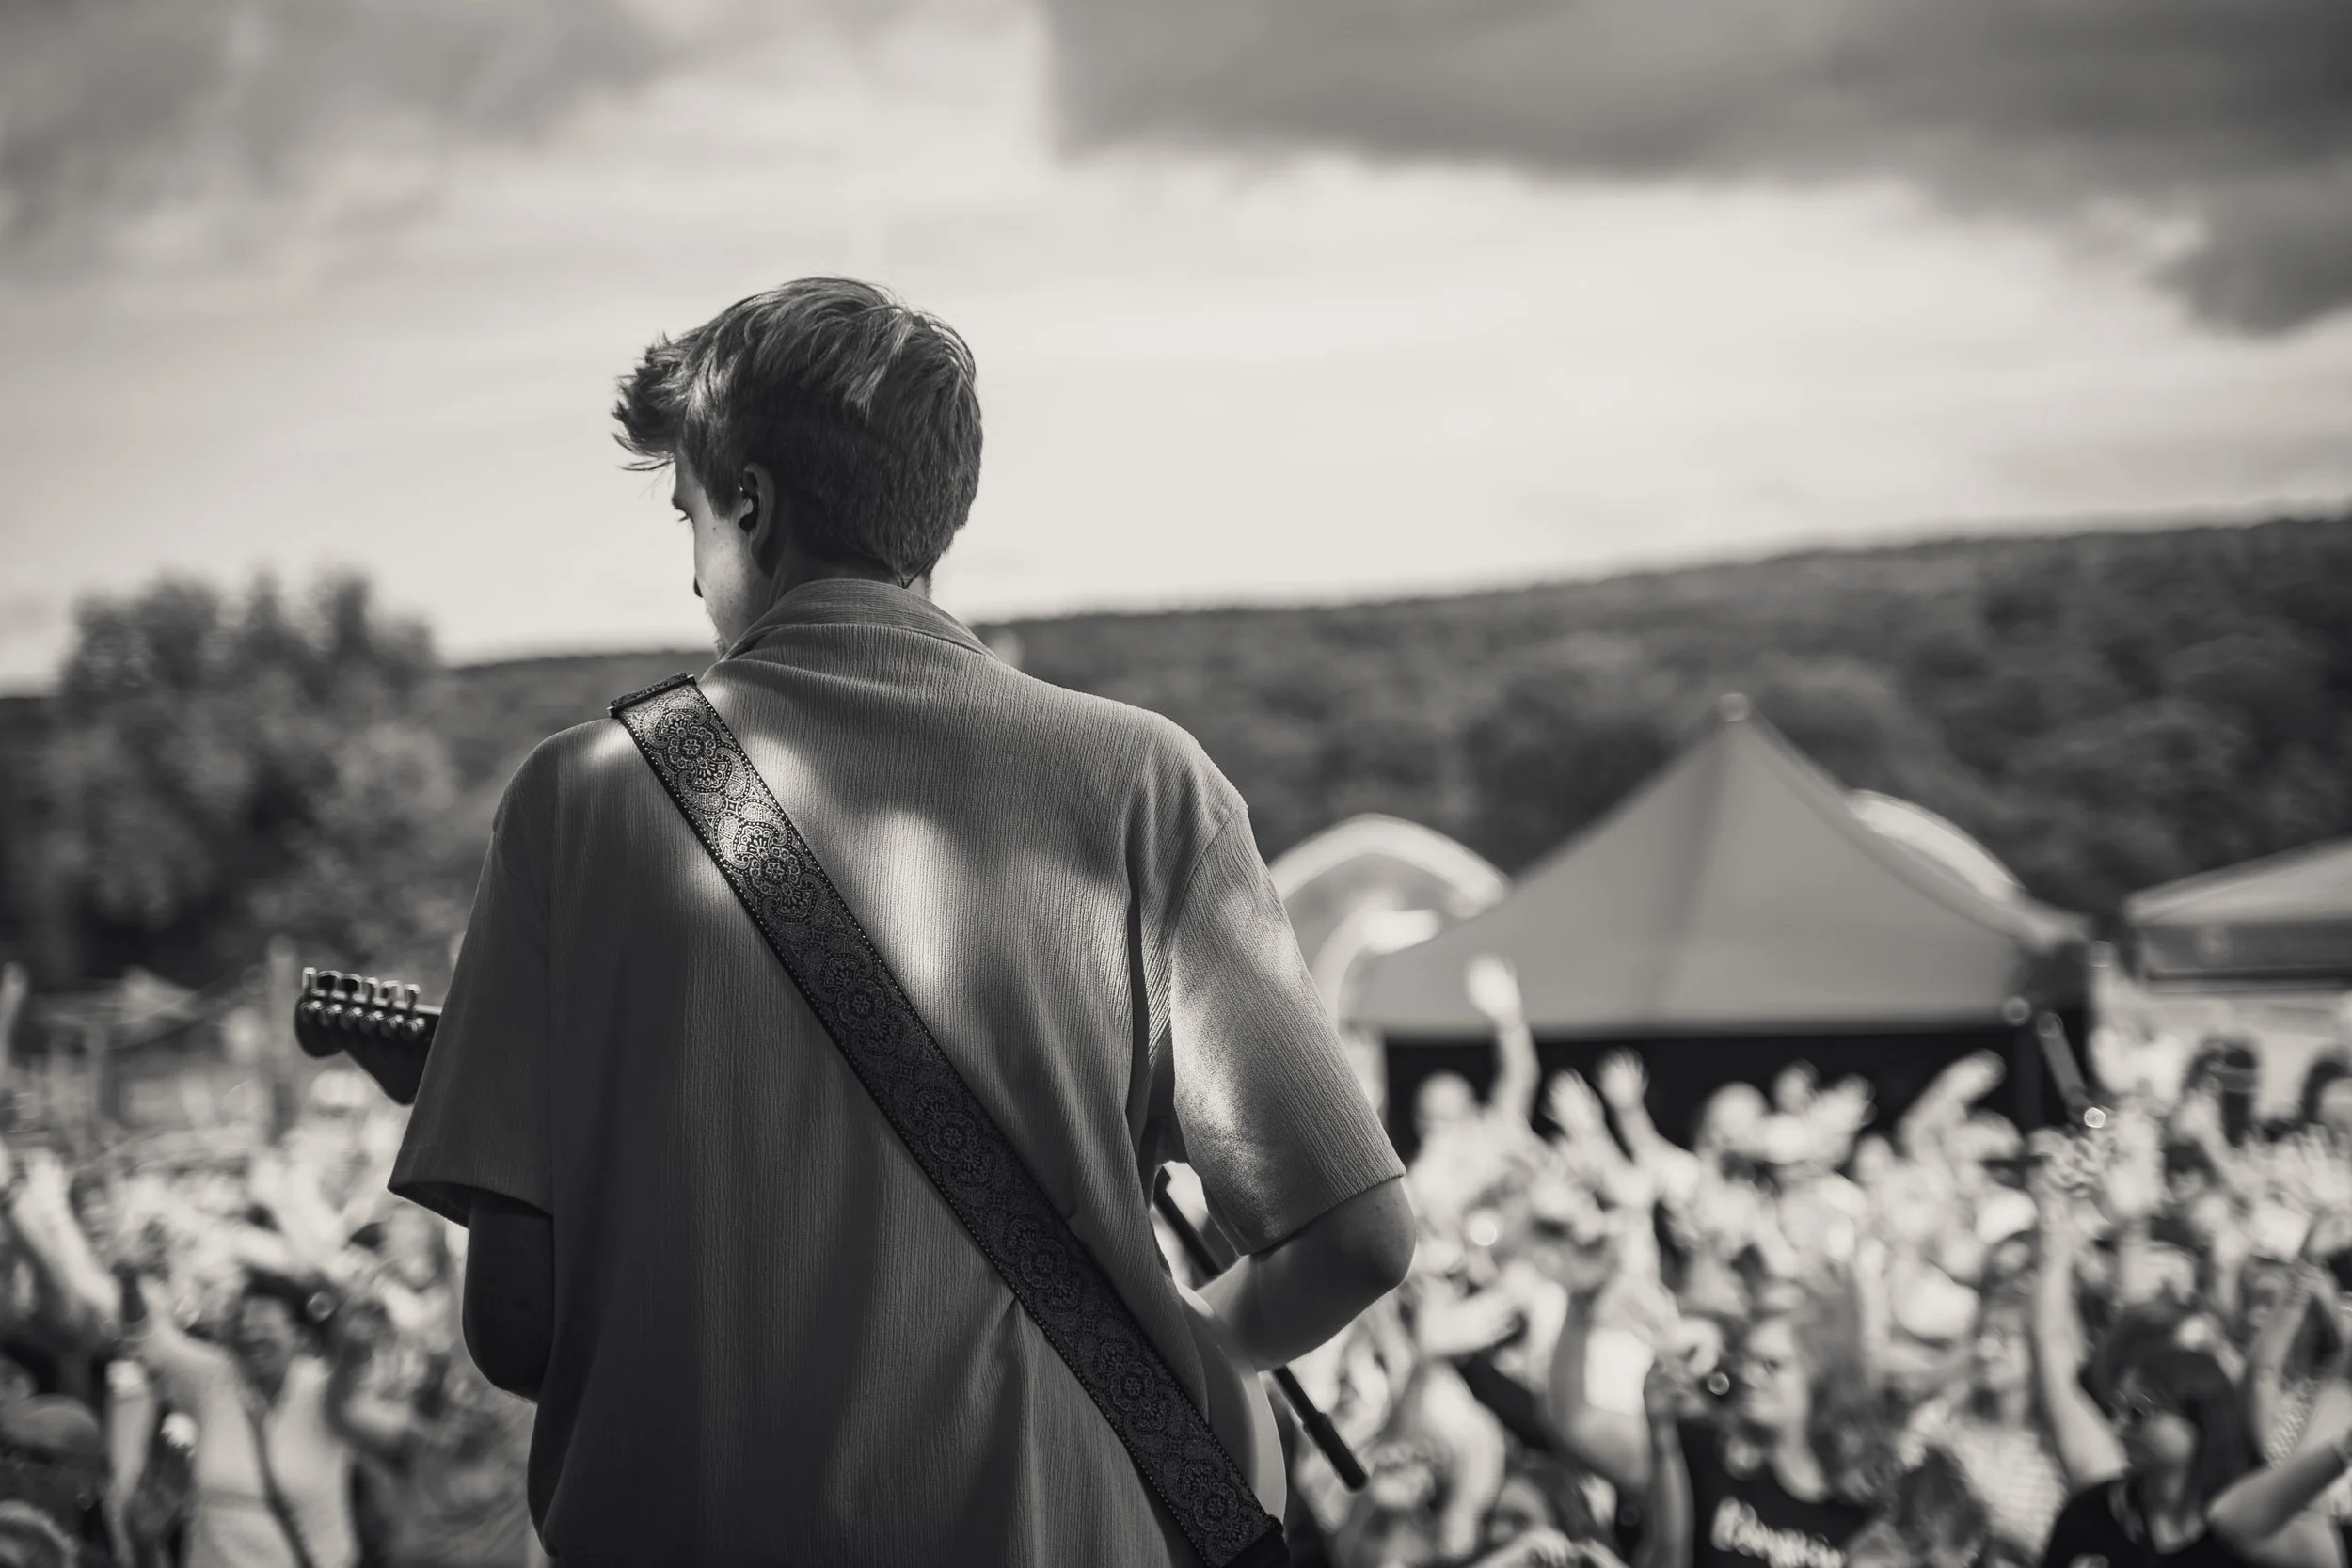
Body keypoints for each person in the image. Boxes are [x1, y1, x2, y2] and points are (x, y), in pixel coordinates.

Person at [389, 277, 1415, 1565]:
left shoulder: (575, 800)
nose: (688, 561)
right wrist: (1176, 1351)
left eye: (689, 511)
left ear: (747, 505)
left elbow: (520, 1327)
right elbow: (1360, 1234)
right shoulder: (1147, 784)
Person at [1549, 1271, 1894, 1568]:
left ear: (1824, 1377)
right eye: (1749, 1361)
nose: (1751, 1376)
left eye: (1772, 1365)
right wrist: (1581, 1305)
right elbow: (1578, 1424)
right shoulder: (1707, 1452)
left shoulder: (1865, 1505)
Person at [119, 1267, 366, 1568]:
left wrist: (351, 1321)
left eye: (266, 1332)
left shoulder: (325, 1392)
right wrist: (129, 1277)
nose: (253, 1341)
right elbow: (145, 1339)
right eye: (246, 1330)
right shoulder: (212, 1379)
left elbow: (355, 1360)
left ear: (300, 1337)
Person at [2038, 1347, 2334, 1568]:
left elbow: (2262, 1372)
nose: (2118, 1426)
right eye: (2117, 1409)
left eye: (2139, 1414)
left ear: (2200, 1422)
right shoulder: (2091, 1513)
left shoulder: (2254, 1530)